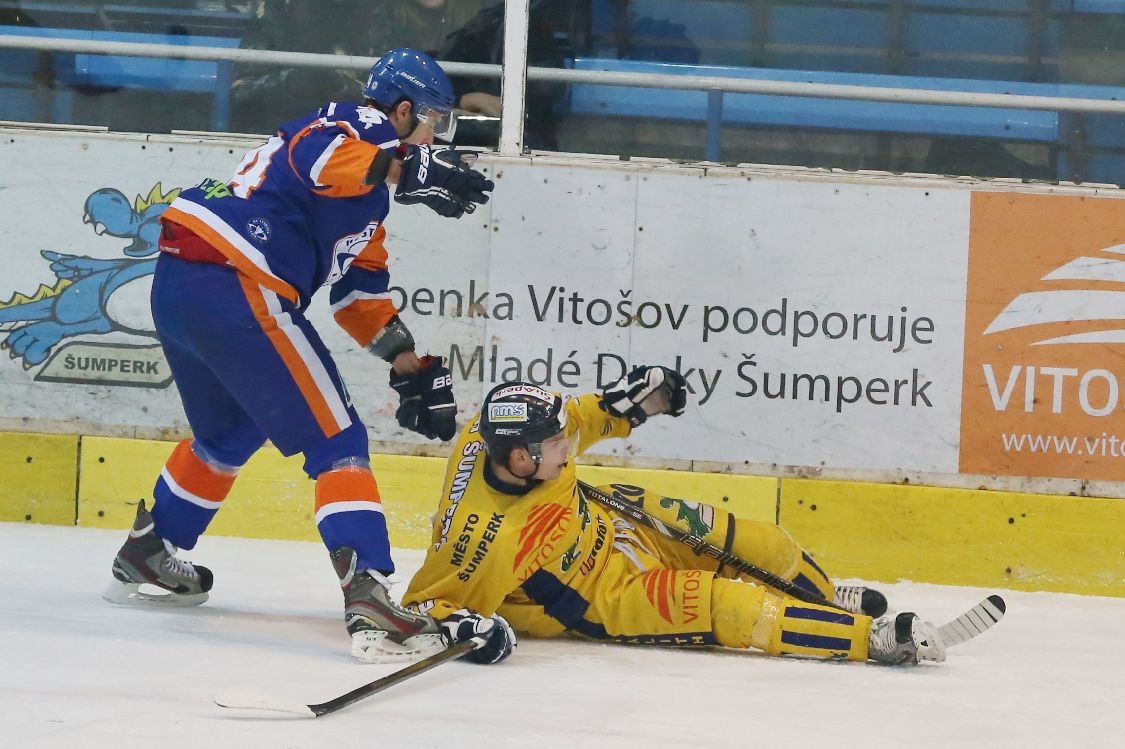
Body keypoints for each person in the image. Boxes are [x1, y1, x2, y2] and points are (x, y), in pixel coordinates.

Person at [102, 48, 495, 665]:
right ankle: (369, 594)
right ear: (401, 110)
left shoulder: (369, 201)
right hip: (237, 283)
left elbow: (358, 300)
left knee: (227, 435)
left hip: (183, 286)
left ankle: (150, 551)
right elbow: (323, 163)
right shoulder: (352, 124)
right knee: (338, 442)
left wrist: (406, 365)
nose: (435, 137)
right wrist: (409, 165)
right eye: (432, 123)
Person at [402, 367, 948, 666]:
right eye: (556, 443)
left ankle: (823, 594)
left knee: (766, 544)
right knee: (739, 608)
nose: (569, 445)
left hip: (619, 518)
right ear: (520, 459)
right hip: (603, 598)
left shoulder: (498, 431)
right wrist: (466, 631)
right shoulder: (479, 538)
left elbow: (583, 416)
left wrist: (635, 403)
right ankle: (868, 639)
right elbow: (425, 607)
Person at [230, 0, 484, 134]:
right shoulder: (280, 8)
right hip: (288, 135)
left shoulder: (387, 11)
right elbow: (242, 90)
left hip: (369, 143)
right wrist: (297, 82)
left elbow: (411, 97)